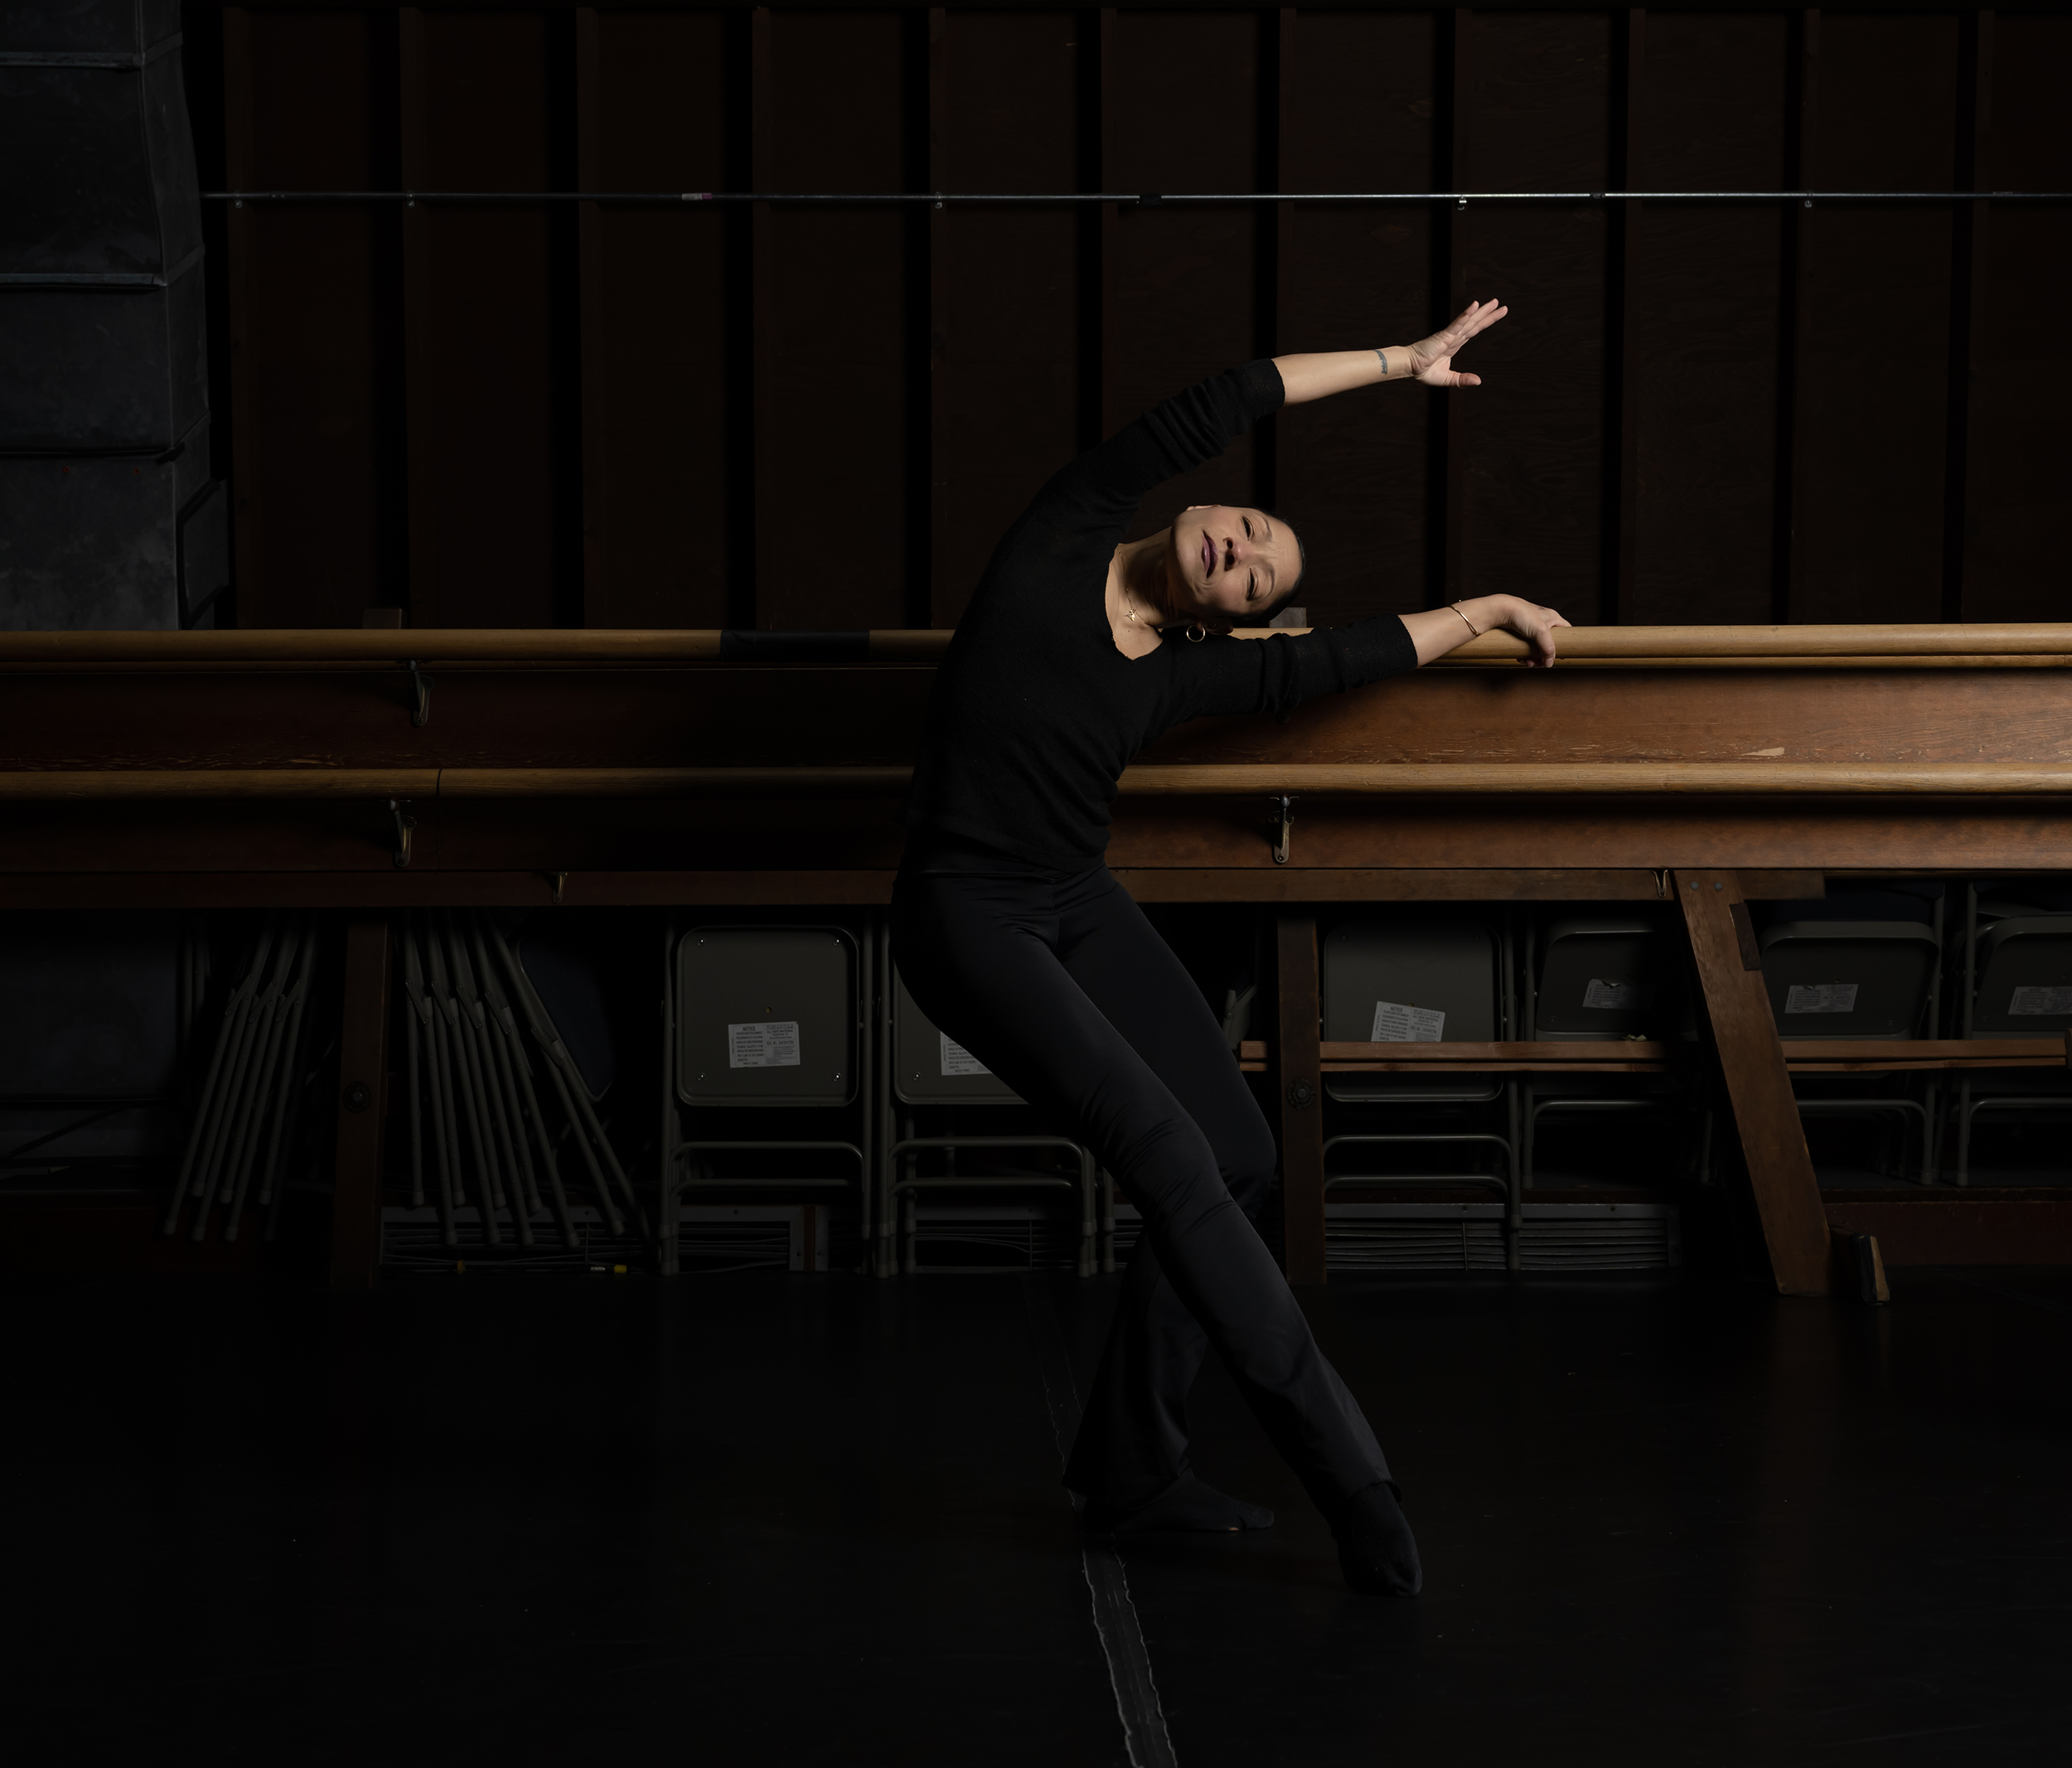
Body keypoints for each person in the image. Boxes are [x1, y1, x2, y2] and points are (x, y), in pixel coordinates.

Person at [890, 299, 1569, 1595]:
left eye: (1261, 577)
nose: (1244, 550)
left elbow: (1338, 663)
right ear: (1210, 512)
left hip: (1069, 900)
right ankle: (1353, 1483)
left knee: (1242, 1153)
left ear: (1229, 618)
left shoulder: (1177, 672)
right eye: (1250, 530)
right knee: (1167, 1153)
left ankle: (1134, 1472)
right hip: (964, 913)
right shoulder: (1065, 532)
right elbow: (1226, 395)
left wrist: (1480, 606)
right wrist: (1401, 363)